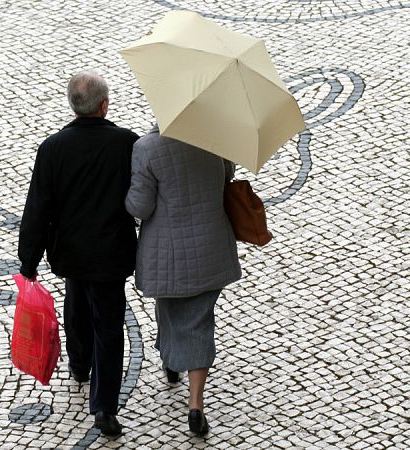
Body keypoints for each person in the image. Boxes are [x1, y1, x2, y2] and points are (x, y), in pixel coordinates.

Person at [18, 70, 139, 437]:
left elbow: (38, 206)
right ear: (104, 105)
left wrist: (29, 259)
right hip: (111, 252)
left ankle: (79, 362)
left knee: (76, 299)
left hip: (70, 251)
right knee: (109, 325)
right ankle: (104, 406)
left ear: (73, 105)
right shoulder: (126, 144)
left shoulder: (53, 148)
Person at [125, 125, 242, 436]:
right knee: (200, 321)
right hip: (211, 248)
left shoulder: (147, 148)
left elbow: (140, 206)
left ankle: (172, 361)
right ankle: (195, 405)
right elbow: (226, 176)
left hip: (166, 253)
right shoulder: (215, 137)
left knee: (170, 307)